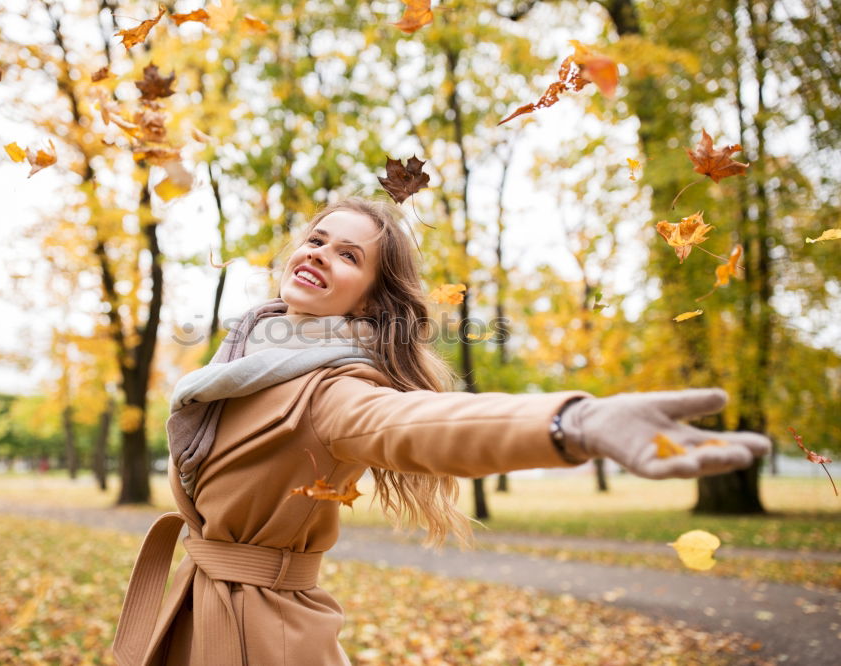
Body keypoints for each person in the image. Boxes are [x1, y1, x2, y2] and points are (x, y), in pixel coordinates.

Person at [111, 196, 771, 666]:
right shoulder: (244, 360)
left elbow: (427, 424)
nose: (320, 254)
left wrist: (576, 422)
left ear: (367, 299)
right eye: (317, 239)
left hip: (261, 638)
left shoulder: (335, 391)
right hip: (199, 607)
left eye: (348, 255)